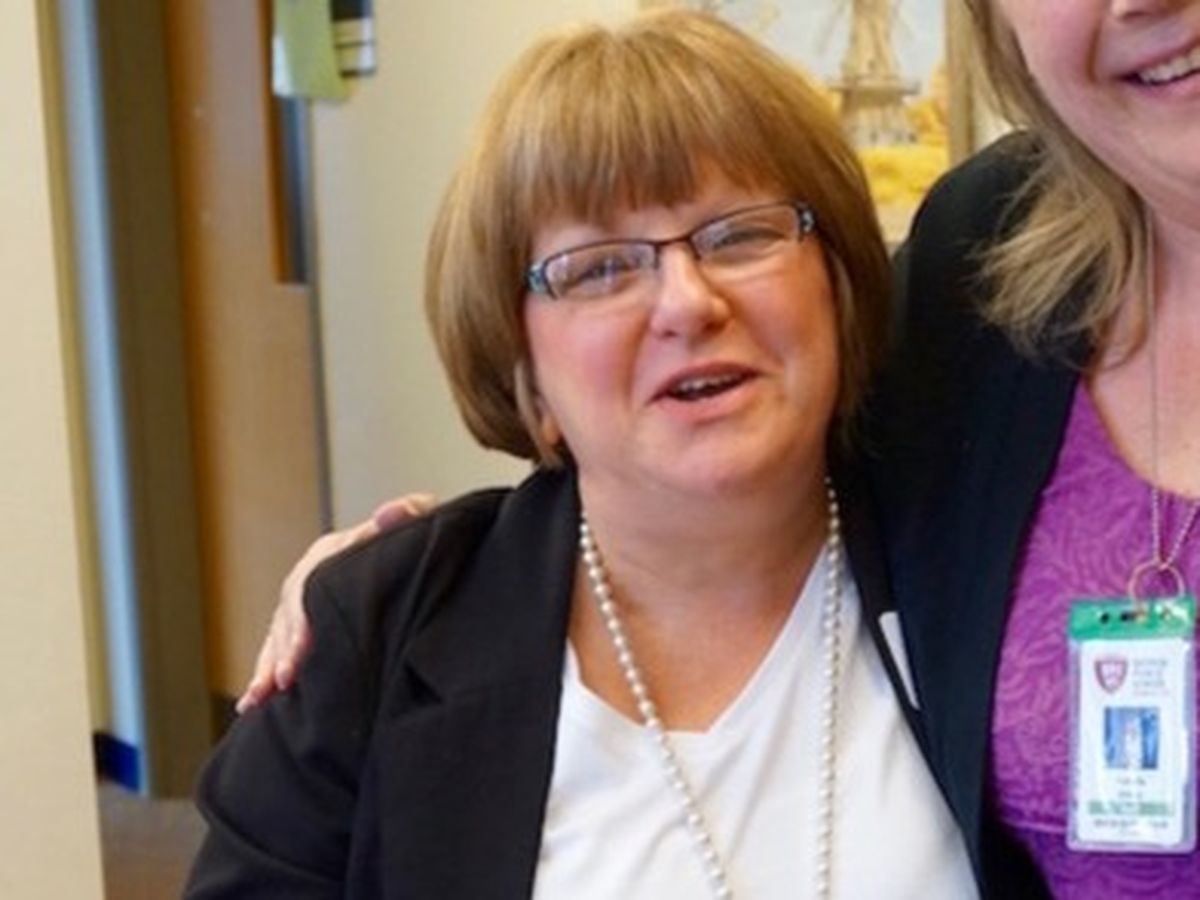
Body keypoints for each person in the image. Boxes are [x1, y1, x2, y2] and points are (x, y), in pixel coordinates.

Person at [244, 0, 1200, 894]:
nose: (688, 303)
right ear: (520, 364)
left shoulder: (931, 513)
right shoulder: (379, 646)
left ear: (841, 287)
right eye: (600, 268)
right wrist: (378, 590)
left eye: (742, 236)